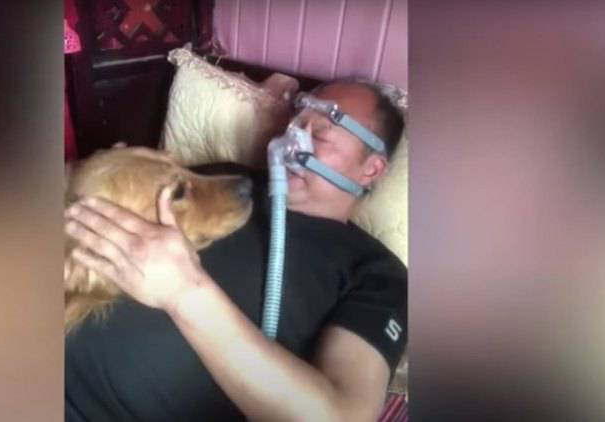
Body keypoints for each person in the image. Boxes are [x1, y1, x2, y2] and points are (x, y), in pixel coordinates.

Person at [64, 81, 407, 421]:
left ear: (371, 169)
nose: (294, 138)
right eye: (296, 122)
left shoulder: (378, 274)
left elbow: (343, 416)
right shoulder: (224, 177)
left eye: (320, 133)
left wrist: (185, 293)